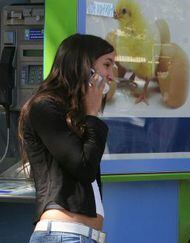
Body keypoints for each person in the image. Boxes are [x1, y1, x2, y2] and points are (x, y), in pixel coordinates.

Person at [18, 34, 115, 243]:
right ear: (84, 65)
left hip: (81, 235)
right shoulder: (44, 107)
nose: (111, 75)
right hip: (63, 234)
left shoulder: (75, 115)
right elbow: (83, 167)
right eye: (107, 65)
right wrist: (92, 114)